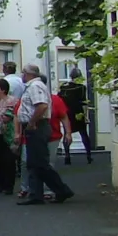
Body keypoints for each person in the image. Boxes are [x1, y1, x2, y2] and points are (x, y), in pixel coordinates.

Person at [17, 64, 74, 205]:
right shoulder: (32, 86)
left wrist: (31, 122)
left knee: (40, 163)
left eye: (23, 73)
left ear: (28, 74)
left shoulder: (35, 86)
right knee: (34, 163)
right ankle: (36, 194)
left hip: (37, 126)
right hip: (35, 125)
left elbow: (42, 105)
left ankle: (62, 190)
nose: (22, 75)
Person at [60, 69, 95, 164]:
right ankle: (88, 155)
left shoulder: (63, 87)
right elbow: (83, 102)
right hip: (78, 113)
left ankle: (67, 156)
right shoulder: (81, 88)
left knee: (67, 133)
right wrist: (86, 115)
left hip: (67, 113)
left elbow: (60, 100)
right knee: (83, 133)